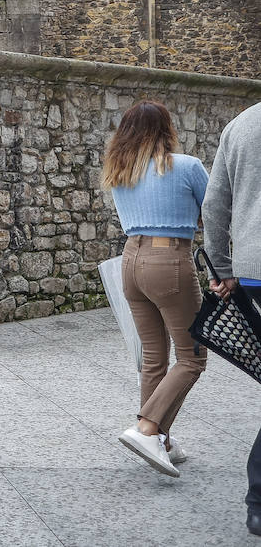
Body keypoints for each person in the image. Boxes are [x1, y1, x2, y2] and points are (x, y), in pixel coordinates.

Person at [103, 100, 208, 478]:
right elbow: (211, 212)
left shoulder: (120, 171)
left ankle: (159, 439)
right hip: (169, 261)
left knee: (153, 358)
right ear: (167, 128)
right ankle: (146, 428)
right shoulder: (187, 167)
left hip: (130, 262)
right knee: (193, 357)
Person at [202, 101, 261, 534]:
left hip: (253, 269)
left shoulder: (241, 124)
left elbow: (214, 204)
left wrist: (222, 269)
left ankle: (258, 499)